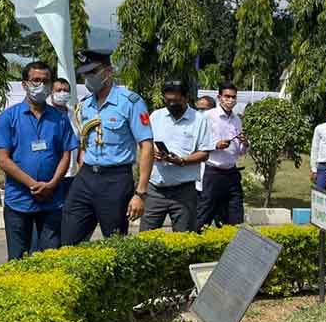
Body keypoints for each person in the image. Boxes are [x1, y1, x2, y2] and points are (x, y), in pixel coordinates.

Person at [61, 50, 154, 245]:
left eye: (94, 71)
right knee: (69, 240)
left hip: (116, 180)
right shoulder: (85, 105)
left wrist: (140, 193)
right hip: (85, 177)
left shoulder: (130, 102)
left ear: (109, 72)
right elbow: (84, 141)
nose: (89, 78)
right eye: (86, 74)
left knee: (114, 242)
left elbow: (146, 146)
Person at [0, 61, 78, 259]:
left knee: (49, 257)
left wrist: (53, 184)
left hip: (52, 201)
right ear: (24, 84)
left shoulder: (60, 118)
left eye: (45, 81)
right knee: (18, 259)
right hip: (19, 201)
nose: (40, 85)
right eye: (35, 80)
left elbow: (66, 154)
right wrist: (33, 184)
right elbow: (3, 160)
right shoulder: (9, 117)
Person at [140, 81, 216, 233]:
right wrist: (154, 151)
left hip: (184, 192)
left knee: (184, 237)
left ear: (186, 98)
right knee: (146, 237)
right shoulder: (156, 116)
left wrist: (181, 160)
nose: (171, 104)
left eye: (176, 100)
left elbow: (205, 153)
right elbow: (145, 144)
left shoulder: (199, 120)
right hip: (156, 189)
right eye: (168, 101)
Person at [199, 83, 249, 227]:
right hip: (213, 172)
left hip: (231, 172)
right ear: (219, 97)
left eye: (233, 97)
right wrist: (215, 144)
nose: (230, 100)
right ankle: (197, 241)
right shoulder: (208, 116)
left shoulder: (237, 120)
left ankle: (234, 243)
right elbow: (198, 142)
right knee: (206, 211)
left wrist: (245, 144)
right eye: (227, 96)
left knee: (235, 212)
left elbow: (239, 151)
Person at [50, 75, 80, 189]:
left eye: (65, 91)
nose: (62, 93)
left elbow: (80, 144)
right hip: (51, 175)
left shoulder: (75, 115)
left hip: (71, 175)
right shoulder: (45, 115)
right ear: (51, 92)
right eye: (58, 90)